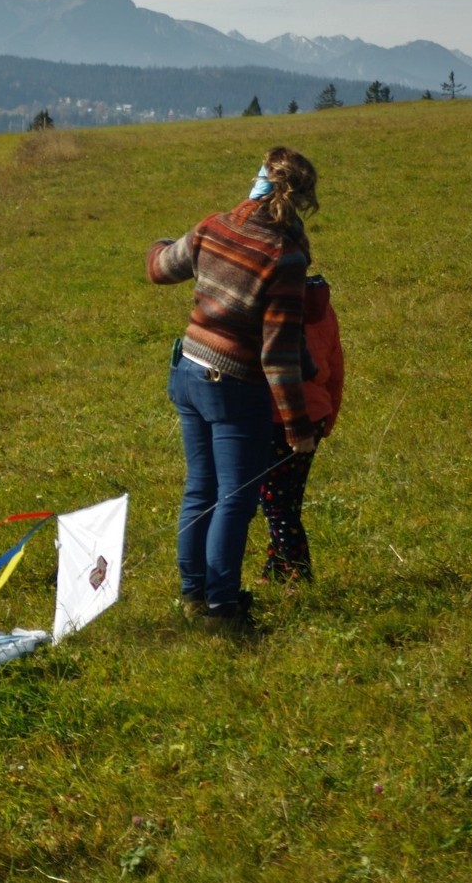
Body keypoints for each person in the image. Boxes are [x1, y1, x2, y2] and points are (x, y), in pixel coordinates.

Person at [146, 146, 319, 636]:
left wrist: (162, 243)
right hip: (233, 386)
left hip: (187, 371)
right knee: (235, 500)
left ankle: (194, 595)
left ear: (258, 184)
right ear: (301, 201)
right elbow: (278, 354)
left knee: (199, 487)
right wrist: (297, 426)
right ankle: (223, 609)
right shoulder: (284, 257)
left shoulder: (212, 226)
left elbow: (160, 267)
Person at [258, 273, 344, 584]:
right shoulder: (321, 306)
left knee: (275, 500)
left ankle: (300, 572)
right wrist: (329, 415)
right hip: (316, 413)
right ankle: (276, 569)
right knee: (287, 496)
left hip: (279, 417)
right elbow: (336, 366)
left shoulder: (267, 306)